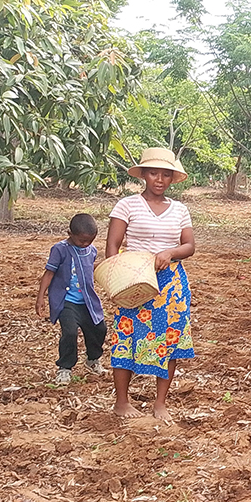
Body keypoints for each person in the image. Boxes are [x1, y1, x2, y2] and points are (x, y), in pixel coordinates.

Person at [106, 148, 195, 422]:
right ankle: (122, 402)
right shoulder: (127, 205)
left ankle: (160, 403)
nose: (159, 179)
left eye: (165, 175)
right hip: (135, 280)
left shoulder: (180, 210)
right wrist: (117, 279)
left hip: (170, 285)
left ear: (172, 178)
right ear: (143, 175)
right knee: (127, 337)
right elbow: (112, 245)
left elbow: (189, 246)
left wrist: (170, 252)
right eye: (154, 173)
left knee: (170, 341)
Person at [35, 213, 107, 386]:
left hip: (87, 300)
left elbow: (89, 269)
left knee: (99, 328)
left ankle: (92, 359)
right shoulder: (60, 250)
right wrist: (41, 297)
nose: (86, 244)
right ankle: (65, 368)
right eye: (82, 241)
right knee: (70, 332)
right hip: (66, 301)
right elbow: (49, 273)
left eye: (90, 240)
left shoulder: (91, 250)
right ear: (70, 233)